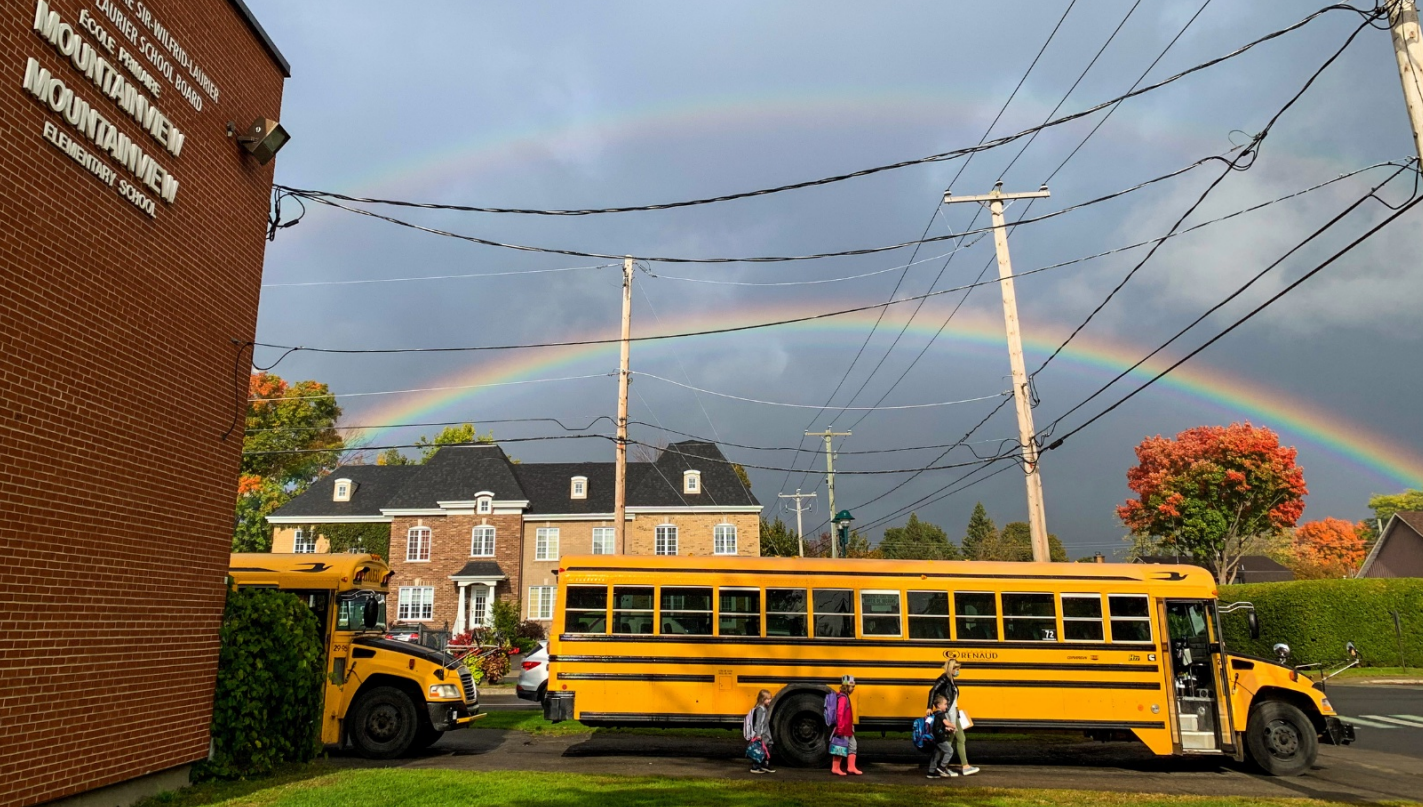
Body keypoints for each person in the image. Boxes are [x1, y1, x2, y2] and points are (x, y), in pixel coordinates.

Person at [926, 660, 979, 776]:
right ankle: (950, 767)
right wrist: (929, 707)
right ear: (951, 669)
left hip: (953, 712)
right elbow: (932, 691)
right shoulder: (943, 679)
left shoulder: (950, 681)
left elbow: (953, 699)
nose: (958, 671)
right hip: (949, 713)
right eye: (957, 669)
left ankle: (939, 767)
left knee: (952, 741)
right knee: (953, 740)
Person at [828, 675, 862, 776]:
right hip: (843, 728)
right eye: (852, 687)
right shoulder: (843, 698)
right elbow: (840, 713)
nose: (853, 689)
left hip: (848, 728)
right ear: (846, 686)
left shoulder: (845, 696)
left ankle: (851, 767)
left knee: (853, 745)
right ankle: (835, 768)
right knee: (840, 747)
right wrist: (841, 728)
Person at [925, 695, 959, 778]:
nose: (946, 706)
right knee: (949, 751)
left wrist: (948, 729)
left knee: (936, 754)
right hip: (940, 738)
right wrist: (954, 726)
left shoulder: (934, 714)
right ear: (939, 705)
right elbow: (946, 723)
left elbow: (939, 726)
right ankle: (942, 767)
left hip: (934, 738)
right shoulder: (941, 714)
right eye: (945, 704)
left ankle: (931, 772)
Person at [746, 689, 776, 774]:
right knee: (760, 750)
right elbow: (757, 723)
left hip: (766, 733)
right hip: (762, 734)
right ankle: (756, 767)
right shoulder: (760, 709)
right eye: (768, 699)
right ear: (762, 699)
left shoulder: (764, 709)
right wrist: (758, 734)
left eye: (770, 698)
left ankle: (764, 765)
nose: (770, 700)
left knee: (769, 747)